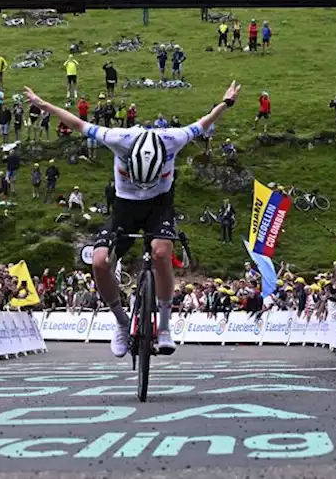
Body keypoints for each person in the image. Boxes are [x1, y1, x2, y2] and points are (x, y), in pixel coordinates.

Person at [24, 79, 241, 357]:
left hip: (159, 205)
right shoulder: (117, 138)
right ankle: (122, 323)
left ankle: (163, 326)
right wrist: (43, 105)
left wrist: (226, 102)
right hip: (125, 207)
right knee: (100, 262)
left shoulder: (173, 138)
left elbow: (205, 122)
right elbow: (77, 123)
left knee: (162, 252)